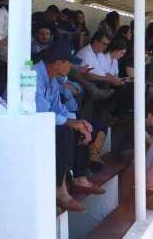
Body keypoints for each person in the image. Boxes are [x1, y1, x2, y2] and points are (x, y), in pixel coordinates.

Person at [35, 41, 105, 213]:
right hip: (30, 127)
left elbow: (59, 108)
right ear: (58, 63)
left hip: (45, 123)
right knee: (65, 131)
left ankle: (80, 178)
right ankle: (60, 191)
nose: (72, 67)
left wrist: (80, 123)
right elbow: (41, 113)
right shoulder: (33, 76)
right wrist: (72, 123)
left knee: (80, 126)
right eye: (69, 63)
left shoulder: (52, 79)